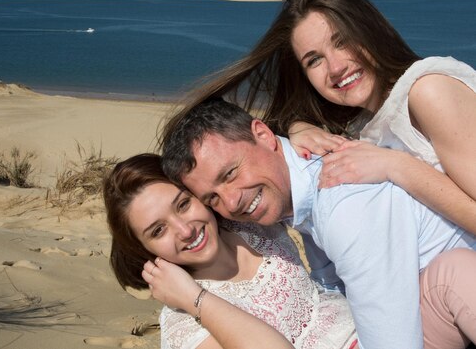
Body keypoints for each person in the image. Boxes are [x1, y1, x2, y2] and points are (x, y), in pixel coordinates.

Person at [159, 97, 476, 349]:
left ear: (263, 135)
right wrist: (297, 125)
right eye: (212, 199)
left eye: (229, 174)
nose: (230, 202)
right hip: (433, 305)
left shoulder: (342, 204)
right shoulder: (296, 191)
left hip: (444, 300)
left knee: (451, 273)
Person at [169, 0, 476, 236]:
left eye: (343, 41)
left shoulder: (429, 92)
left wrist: (397, 166)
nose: (336, 67)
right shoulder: (364, 122)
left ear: (371, 30)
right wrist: (297, 127)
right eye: (314, 60)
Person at [103, 153, 358, 349]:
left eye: (183, 204)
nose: (185, 230)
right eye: (158, 230)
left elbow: (268, 153)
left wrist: (298, 127)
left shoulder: (246, 220)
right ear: (143, 249)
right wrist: (196, 299)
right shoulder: (182, 325)